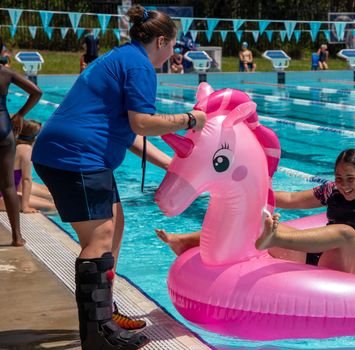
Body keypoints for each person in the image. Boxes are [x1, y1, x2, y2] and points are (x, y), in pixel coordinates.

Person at [31, 5, 207, 350]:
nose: (173, 54)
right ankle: (97, 334)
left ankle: (105, 312)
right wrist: (190, 120)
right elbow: (142, 124)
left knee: (116, 222)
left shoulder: (123, 57)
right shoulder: (140, 66)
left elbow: (128, 135)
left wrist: (174, 167)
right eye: (173, 46)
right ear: (161, 41)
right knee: (99, 238)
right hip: (76, 156)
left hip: (75, 151)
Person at [157, 149, 355, 279]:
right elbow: (290, 199)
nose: (343, 185)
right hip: (319, 258)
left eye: (351, 179)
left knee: (346, 233)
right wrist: (252, 190)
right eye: (339, 178)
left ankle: (274, 239)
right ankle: (187, 240)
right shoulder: (332, 191)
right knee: (258, 220)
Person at [0, 64, 42, 247]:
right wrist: (21, 114)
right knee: (8, 184)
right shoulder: (5, 72)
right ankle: (17, 237)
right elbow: (37, 92)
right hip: (3, 128)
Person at [0, 119, 56, 214]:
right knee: (53, 207)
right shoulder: (26, 149)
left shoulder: (9, 142)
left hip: (6, 191)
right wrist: (25, 207)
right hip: (4, 196)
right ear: (35, 138)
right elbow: (26, 180)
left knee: (52, 198)